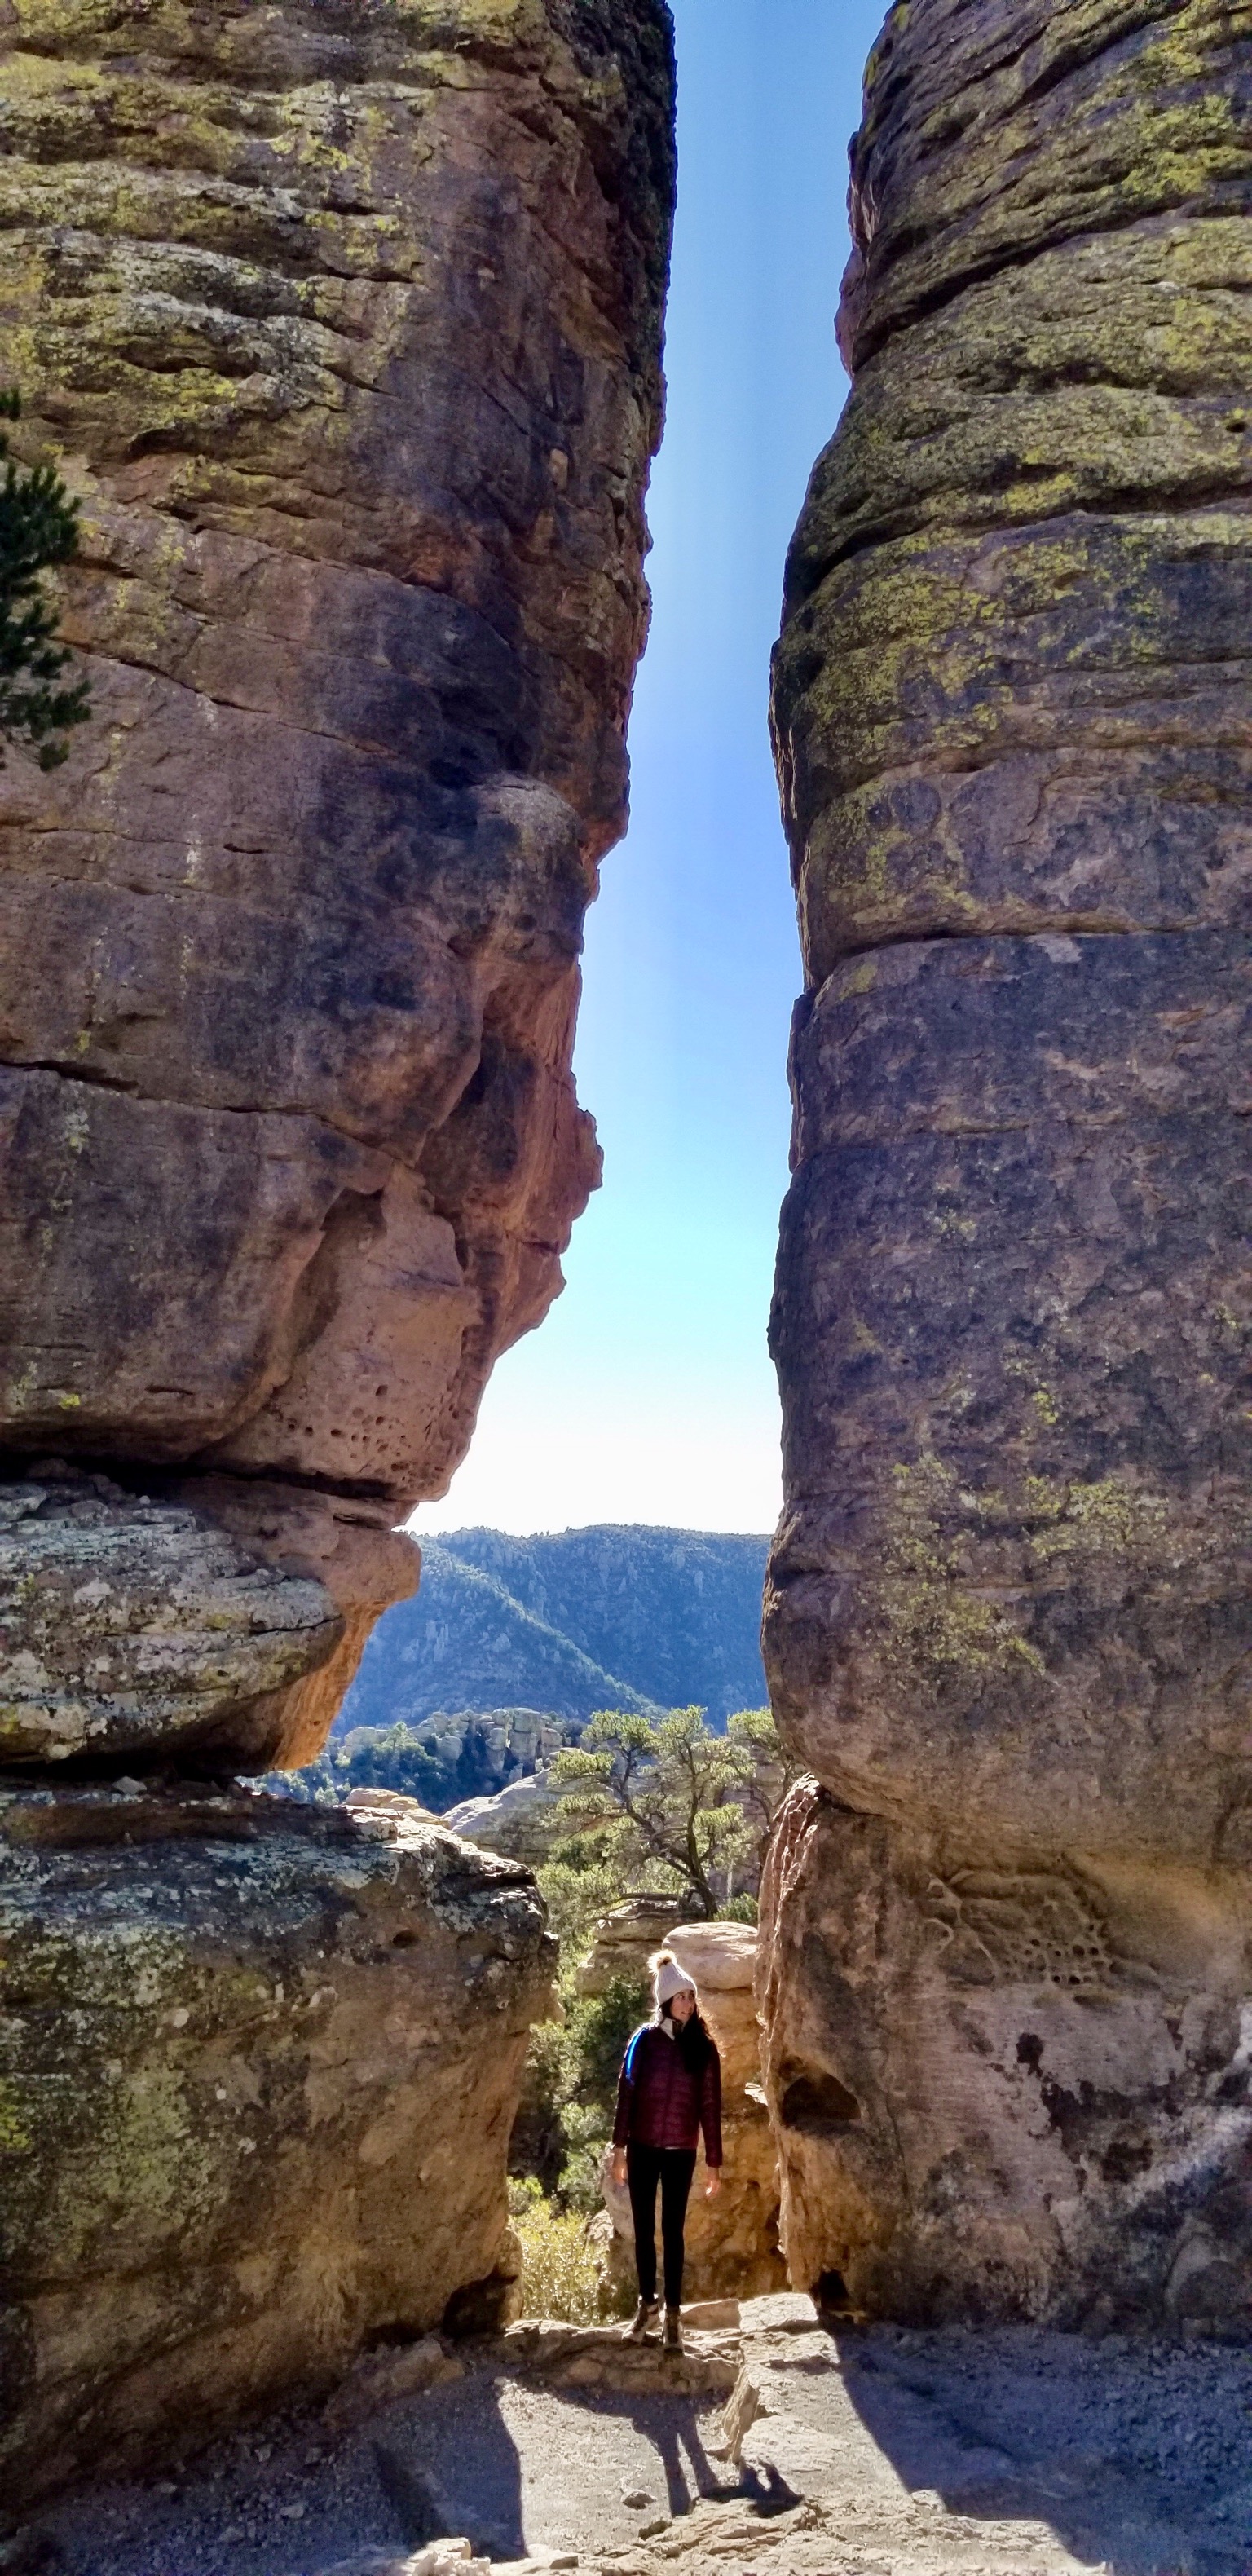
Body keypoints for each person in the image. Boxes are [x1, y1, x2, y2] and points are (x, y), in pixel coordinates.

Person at [611, 1948, 722, 2349]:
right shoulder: (643, 2042)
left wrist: (714, 2163)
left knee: (672, 2232)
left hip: (680, 2151)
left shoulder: (704, 2049)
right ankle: (647, 2307)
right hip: (642, 2147)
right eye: (681, 1997)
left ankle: (673, 2317)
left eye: (691, 1996)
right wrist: (619, 2150)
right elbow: (626, 2095)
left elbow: (711, 2107)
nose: (688, 2004)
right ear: (665, 2001)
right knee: (644, 2230)